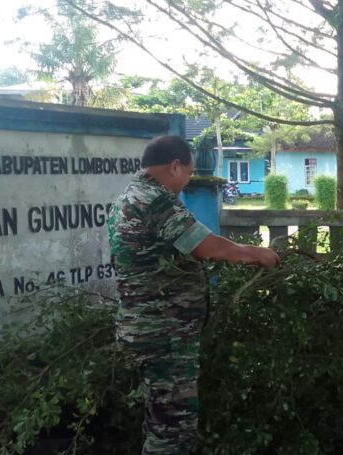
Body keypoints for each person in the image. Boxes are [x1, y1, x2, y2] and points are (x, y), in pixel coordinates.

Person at [108, 135, 280, 454]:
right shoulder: (154, 199)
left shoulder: (127, 197)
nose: (186, 182)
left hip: (146, 328)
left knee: (160, 420)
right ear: (175, 166)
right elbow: (204, 245)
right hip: (163, 334)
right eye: (188, 173)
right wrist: (255, 253)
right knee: (173, 431)